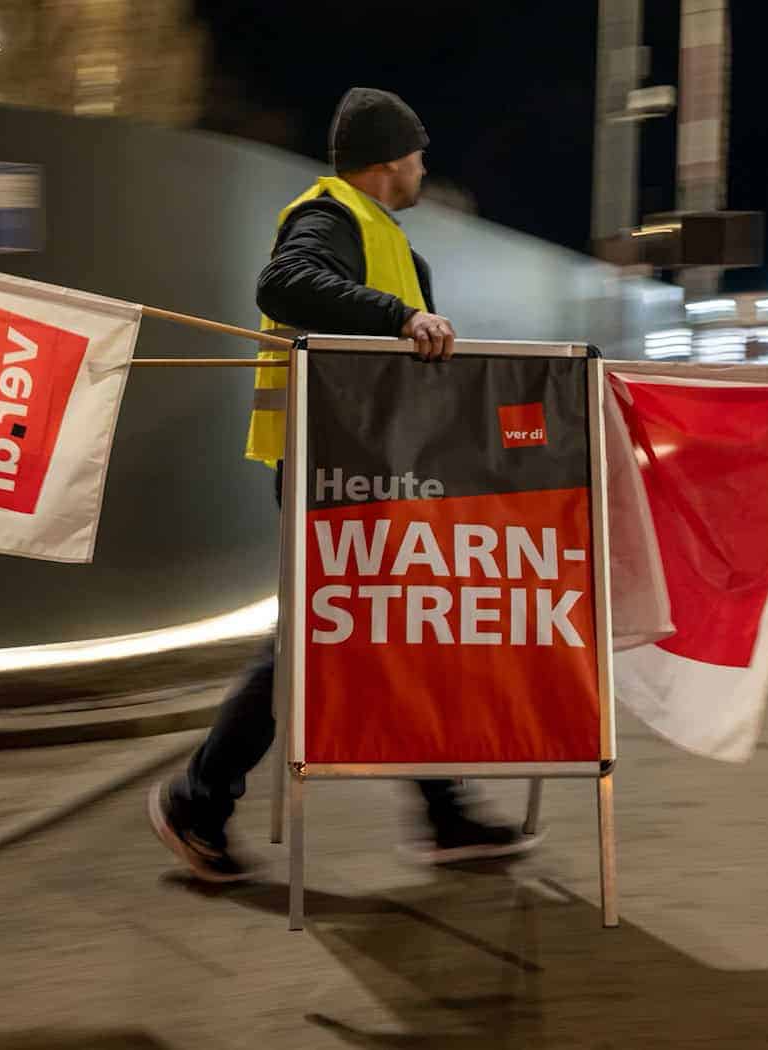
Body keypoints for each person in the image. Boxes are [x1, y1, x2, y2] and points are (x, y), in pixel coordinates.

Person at [149, 87, 528, 882]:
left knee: (397, 632)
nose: (425, 167)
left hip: (376, 473)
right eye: (419, 154)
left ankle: (442, 815)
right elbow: (283, 284)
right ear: (390, 159)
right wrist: (400, 317)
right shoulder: (328, 216)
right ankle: (198, 799)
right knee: (309, 649)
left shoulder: (391, 242)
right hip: (329, 473)